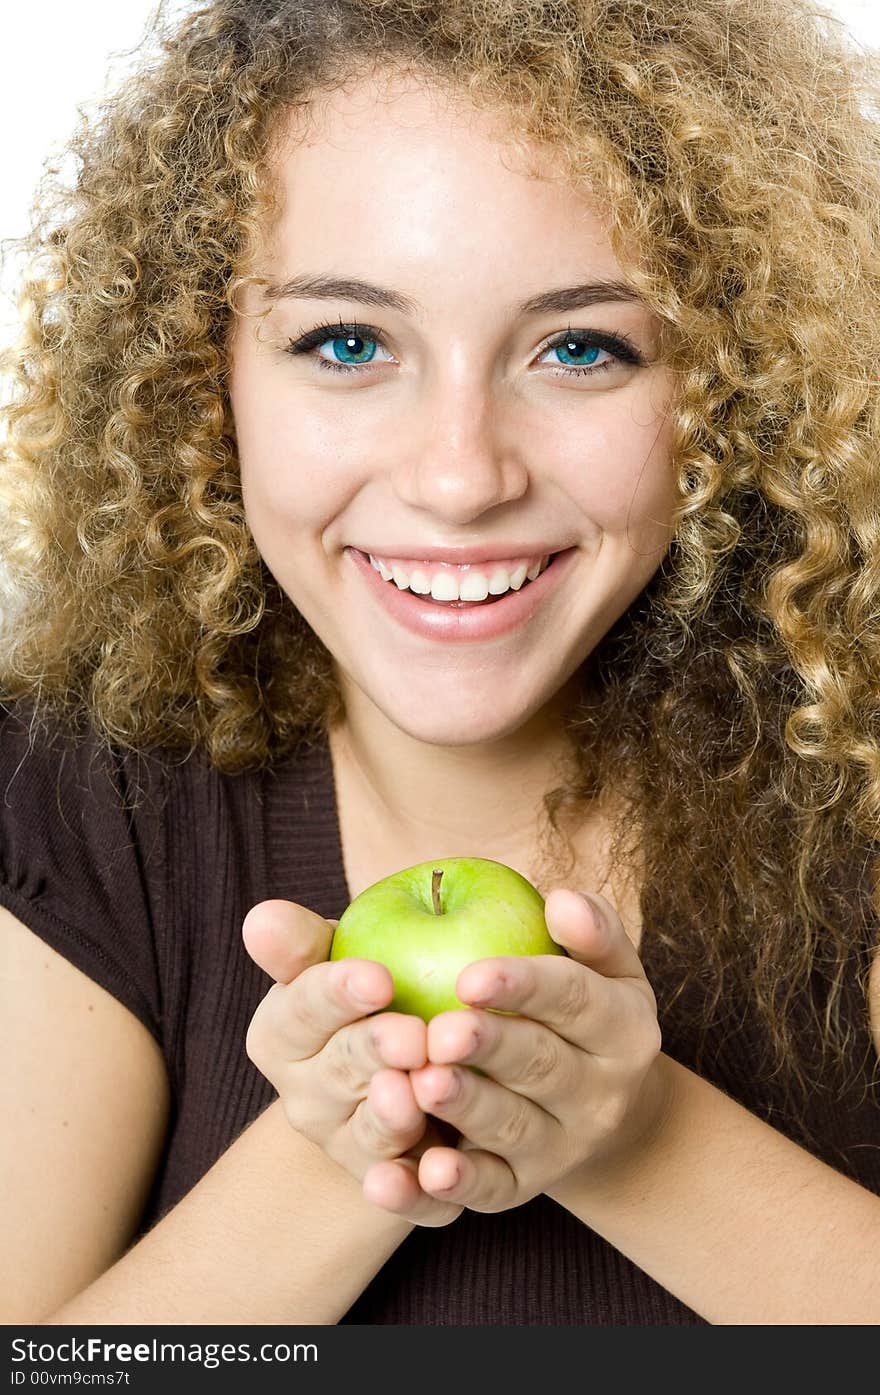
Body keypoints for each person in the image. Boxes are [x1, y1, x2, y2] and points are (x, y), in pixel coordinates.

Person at [1, 0, 879, 1327]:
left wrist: (627, 1134)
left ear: (730, 387)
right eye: (347, 344)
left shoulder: (859, 779)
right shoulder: (72, 800)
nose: (460, 477)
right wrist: (337, 1145)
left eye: (581, 347)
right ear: (203, 376)